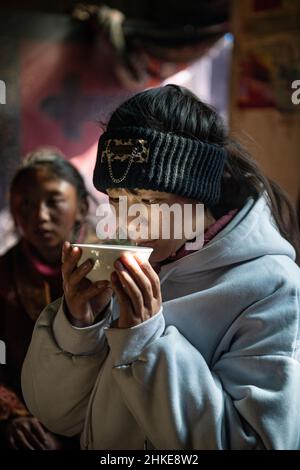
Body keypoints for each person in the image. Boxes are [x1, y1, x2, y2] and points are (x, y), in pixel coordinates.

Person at [22, 86, 300, 450]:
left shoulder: (273, 289)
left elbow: (257, 443)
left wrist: (144, 341)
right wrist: (79, 325)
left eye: (151, 201)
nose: (130, 223)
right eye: (118, 200)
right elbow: (60, 416)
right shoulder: (125, 265)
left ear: (199, 195)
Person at [0, 148, 98, 450]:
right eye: (25, 205)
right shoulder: (4, 276)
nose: (39, 216)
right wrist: (13, 416)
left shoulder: (109, 269)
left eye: (53, 202)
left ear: (81, 207)